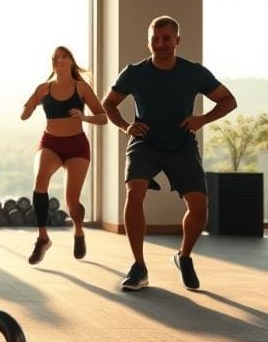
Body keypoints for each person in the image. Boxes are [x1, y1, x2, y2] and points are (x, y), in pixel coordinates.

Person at [102, 16, 236, 292]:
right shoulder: (134, 73)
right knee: (135, 191)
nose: (160, 44)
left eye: (166, 38)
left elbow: (228, 100)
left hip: (181, 145)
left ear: (177, 41)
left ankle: (184, 256)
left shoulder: (194, 72)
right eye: (155, 39)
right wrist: (127, 125)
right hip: (145, 143)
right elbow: (109, 104)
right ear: (148, 41)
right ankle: (138, 266)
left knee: (199, 208)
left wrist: (201, 119)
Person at [20, 46, 107, 265]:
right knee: (40, 180)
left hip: (76, 146)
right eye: (56, 58)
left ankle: (78, 231)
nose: (59, 60)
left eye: (64, 57)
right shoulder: (44, 88)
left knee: (72, 201)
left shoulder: (81, 87)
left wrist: (84, 117)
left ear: (71, 61)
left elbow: (103, 117)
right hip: (50, 143)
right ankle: (42, 238)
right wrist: (30, 104)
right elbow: (24, 113)